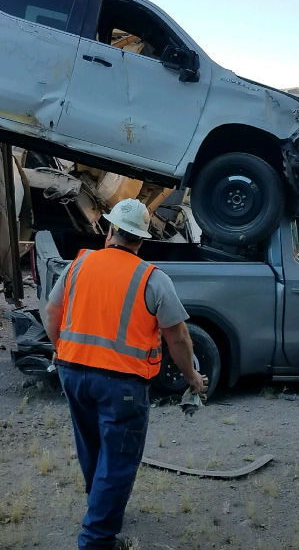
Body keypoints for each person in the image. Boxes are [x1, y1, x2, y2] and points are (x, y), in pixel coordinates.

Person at [45, 198, 206, 550]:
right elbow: (177, 337)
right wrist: (192, 377)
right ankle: (97, 539)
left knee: (91, 445)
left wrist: (61, 350)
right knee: (118, 458)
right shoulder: (152, 279)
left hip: (72, 373)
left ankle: (98, 506)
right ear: (140, 240)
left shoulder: (79, 265)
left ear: (111, 231)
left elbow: (51, 311)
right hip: (121, 383)